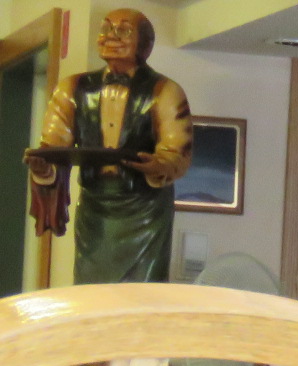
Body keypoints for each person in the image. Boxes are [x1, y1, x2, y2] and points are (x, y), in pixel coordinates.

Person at [28, 8, 192, 286]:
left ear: (145, 44)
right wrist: (44, 168)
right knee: (91, 289)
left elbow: (178, 152)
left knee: (142, 293)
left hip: (145, 211)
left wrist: (159, 164)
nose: (110, 37)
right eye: (105, 29)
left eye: (123, 31)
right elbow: (54, 147)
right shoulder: (71, 88)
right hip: (96, 210)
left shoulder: (165, 91)